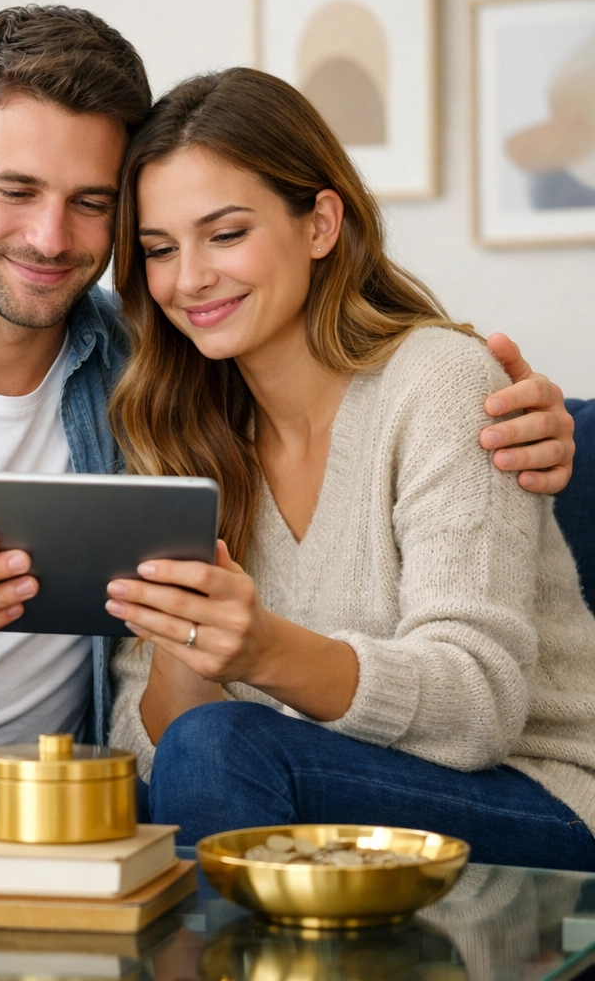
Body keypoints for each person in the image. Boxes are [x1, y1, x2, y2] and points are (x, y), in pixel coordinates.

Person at [0, 7, 575, 838]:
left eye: (91, 203)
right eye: (16, 190)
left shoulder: (157, 371)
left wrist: (532, 415)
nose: (52, 239)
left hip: (71, 798)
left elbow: (202, 744)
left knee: (216, 750)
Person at [105, 67, 595, 870]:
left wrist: (262, 651)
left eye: (226, 235)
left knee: (223, 749)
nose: (188, 279)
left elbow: (480, 703)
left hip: (534, 796)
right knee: (199, 749)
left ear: (321, 223)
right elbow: (148, 748)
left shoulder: (440, 384)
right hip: (317, 800)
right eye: (160, 250)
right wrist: (187, 644)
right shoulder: (177, 432)